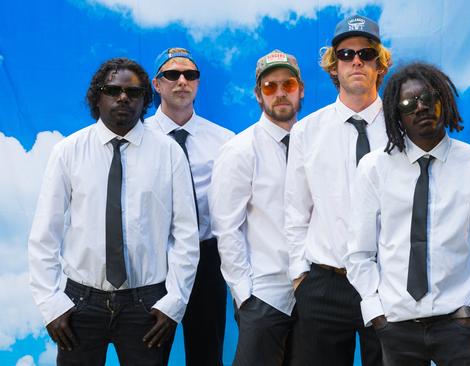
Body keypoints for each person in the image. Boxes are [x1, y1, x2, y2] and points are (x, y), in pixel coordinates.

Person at [28, 57, 199, 365]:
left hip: (147, 304)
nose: (123, 97)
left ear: (145, 98)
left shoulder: (169, 153)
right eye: (113, 89)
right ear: (98, 96)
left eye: (133, 92)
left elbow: (185, 234)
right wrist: (51, 304)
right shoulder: (68, 152)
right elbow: (44, 236)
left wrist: (174, 302)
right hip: (80, 302)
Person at [345, 62, 470, 366]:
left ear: (443, 101)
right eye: (408, 103)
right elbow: (359, 251)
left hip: (458, 325)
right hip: (396, 327)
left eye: (428, 98)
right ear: (397, 115)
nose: (420, 108)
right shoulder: (374, 168)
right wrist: (376, 313)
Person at [284, 14, 391, 366]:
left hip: (389, 281)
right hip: (326, 284)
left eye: (366, 53)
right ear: (334, 66)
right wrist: (301, 277)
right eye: (346, 54)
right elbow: (296, 210)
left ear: (379, 63)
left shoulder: (402, 127)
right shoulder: (307, 131)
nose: (357, 60)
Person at [210, 49, 303, 366]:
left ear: (300, 90)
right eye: (269, 86)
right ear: (258, 95)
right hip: (265, 295)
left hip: (311, 295)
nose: (279, 93)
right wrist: (245, 295)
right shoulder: (239, 149)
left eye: (287, 85)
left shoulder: (313, 144)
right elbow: (226, 227)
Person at [144, 47, 234, 366]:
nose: (182, 81)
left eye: (190, 75)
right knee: (148, 355)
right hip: (154, 261)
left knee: (207, 355)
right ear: (157, 84)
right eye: (172, 74)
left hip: (207, 261)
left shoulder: (224, 141)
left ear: (197, 83)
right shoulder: (139, 139)